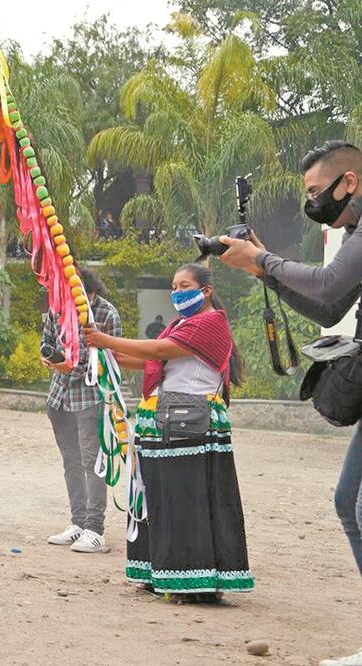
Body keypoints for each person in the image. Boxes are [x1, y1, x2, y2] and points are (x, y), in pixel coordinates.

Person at [219, 141, 362, 665]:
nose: (311, 201)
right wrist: (264, 272)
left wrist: (264, 258)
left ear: (348, 182)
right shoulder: (353, 233)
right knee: (348, 502)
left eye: (313, 190)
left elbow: (325, 282)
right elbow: (328, 305)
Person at [84, 263, 253, 602]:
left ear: (205, 290)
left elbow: (158, 351)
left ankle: (193, 582)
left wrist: (105, 339)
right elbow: (152, 361)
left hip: (189, 423)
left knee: (184, 500)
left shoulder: (210, 323)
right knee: (158, 498)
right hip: (166, 420)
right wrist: (105, 351)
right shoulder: (182, 325)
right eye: (174, 286)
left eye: (185, 285)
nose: (177, 291)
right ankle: (161, 573)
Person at [41, 269, 121, 554]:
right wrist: (50, 358)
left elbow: (108, 358)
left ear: (89, 292)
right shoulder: (57, 308)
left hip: (90, 398)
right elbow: (46, 343)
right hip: (59, 397)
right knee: (71, 462)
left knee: (93, 463)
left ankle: (95, 529)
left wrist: (70, 364)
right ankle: (77, 523)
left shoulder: (106, 315)